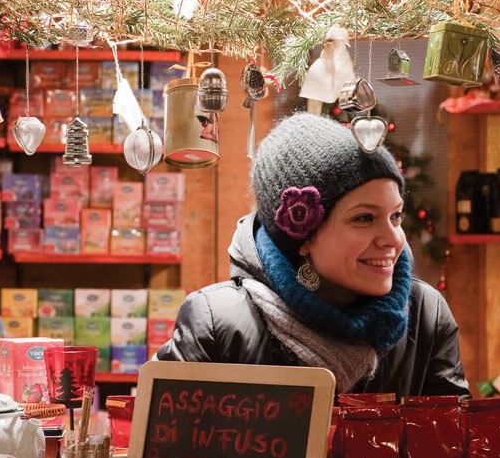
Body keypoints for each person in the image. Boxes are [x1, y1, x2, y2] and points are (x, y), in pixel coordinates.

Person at [156, 113, 469, 397]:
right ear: (302, 237)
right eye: (364, 218)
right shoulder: (217, 322)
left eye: (396, 216)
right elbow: (170, 449)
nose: (394, 239)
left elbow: (450, 448)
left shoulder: (426, 314)